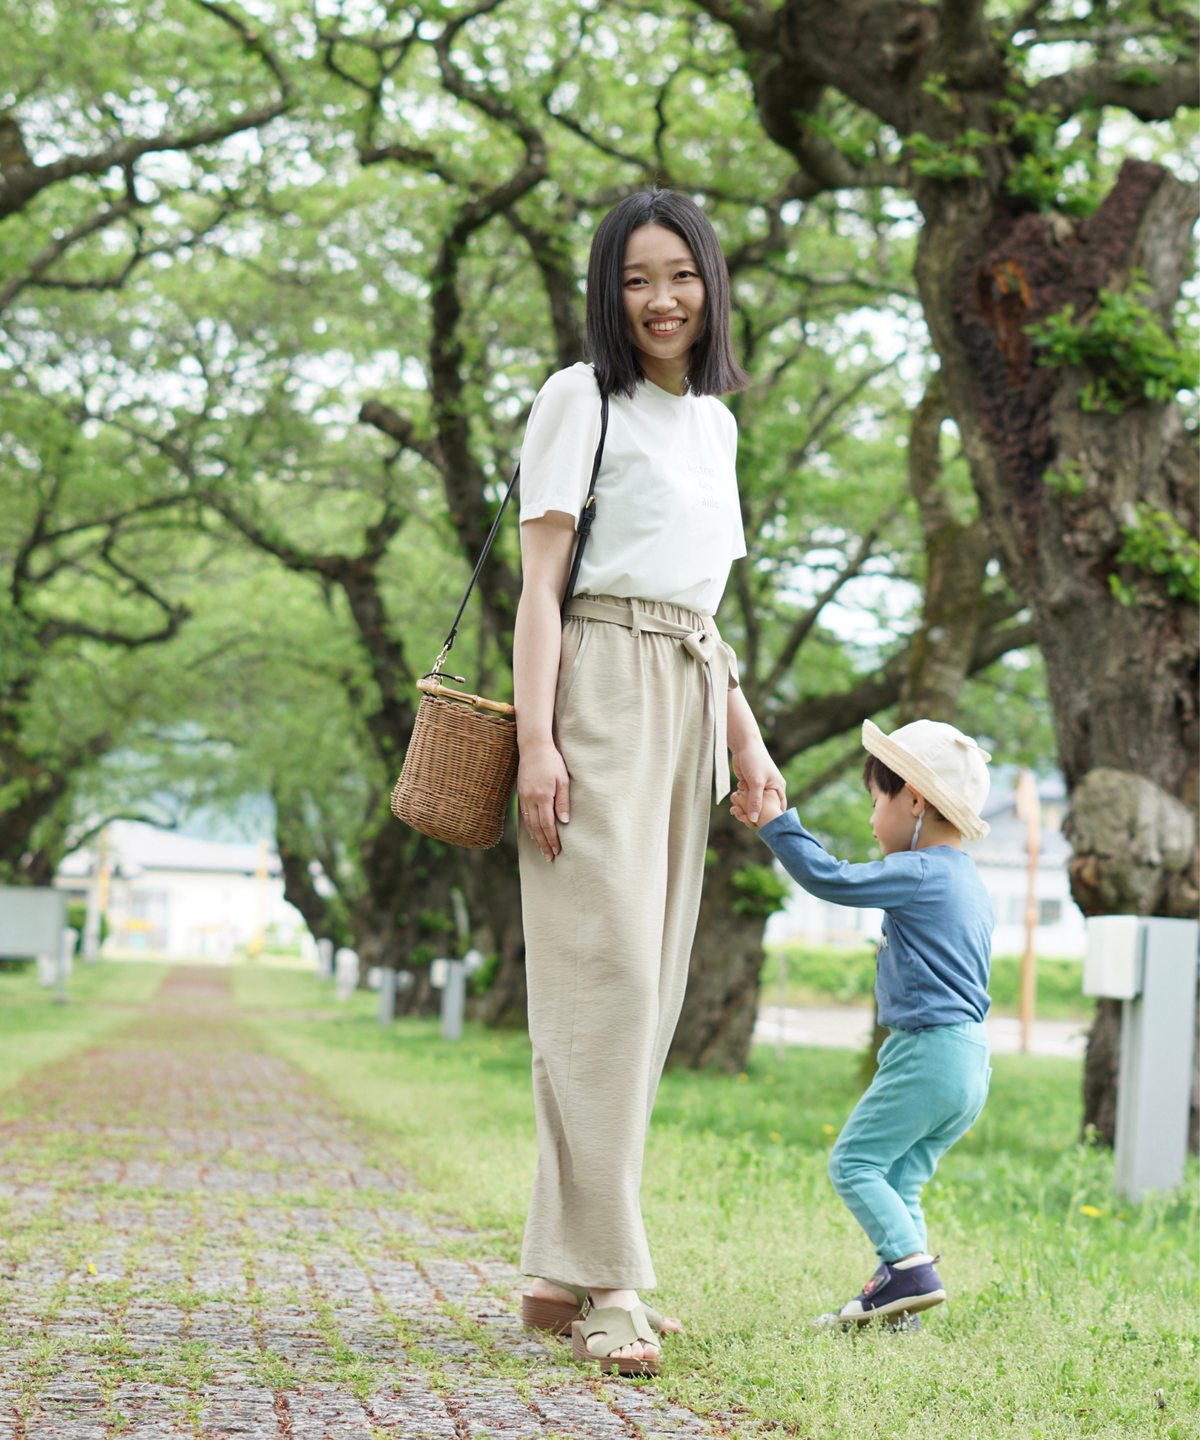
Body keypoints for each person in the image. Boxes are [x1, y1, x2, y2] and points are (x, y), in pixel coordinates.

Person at [512, 189, 786, 1374]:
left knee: (647, 987)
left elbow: (702, 612)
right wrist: (537, 742)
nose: (660, 299)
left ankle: (556, 1271)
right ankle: (614, 1279)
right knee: (606, 976)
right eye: (634, 279)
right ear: (606, 294)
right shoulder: (581, 399)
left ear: (711, 285)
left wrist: (748, 736)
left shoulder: (715, 426)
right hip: (596, 689)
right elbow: (540, 586)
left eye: (678, 275)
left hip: (687, 688)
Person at [730, 717, 995, 1328]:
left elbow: (833, 878)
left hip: (928, 1053)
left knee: (854, 1163)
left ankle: (910, 1271)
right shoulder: (969, 880)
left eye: (876, 802)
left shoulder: (923, 870)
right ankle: (901, 1307)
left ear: (916, 800)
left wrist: (776, 825)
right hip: (970, 1061)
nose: (873, 820)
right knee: (901, 1180)